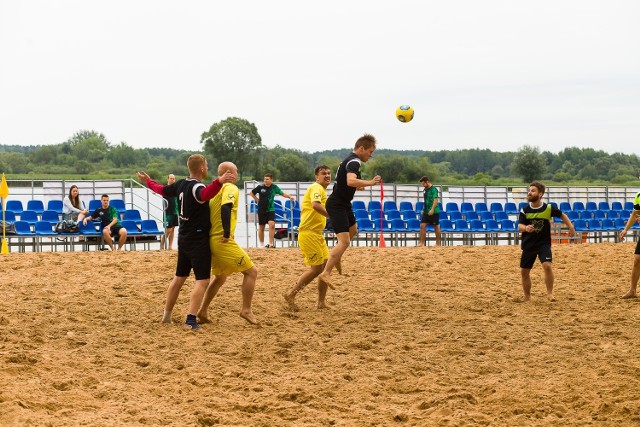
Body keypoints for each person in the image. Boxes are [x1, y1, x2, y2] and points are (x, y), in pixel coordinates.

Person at [136, 154, 233, 330]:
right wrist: (219, 181)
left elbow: (160, 189)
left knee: (179, 278)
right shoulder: (197, 187)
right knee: (202, 280)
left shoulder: (180, 184)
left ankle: (166, 316)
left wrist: (148, 181)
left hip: (184, 237)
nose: (208, 167)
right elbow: (205, 194)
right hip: (197, 239)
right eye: (207, 165)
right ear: (202, 168)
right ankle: (190, 320)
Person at [197, 162, 259, 325]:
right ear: (229, 173)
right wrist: (226, 233)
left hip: (212, 240)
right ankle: (246, 310)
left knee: (220, 278)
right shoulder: (230, 187)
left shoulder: (215, 191)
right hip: (222, 240)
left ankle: (202, 311)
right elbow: (226, 208)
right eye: (236, 171)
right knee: (252, 272)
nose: (237, 174)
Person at [318, 134, 381, 288]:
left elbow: (349, 183)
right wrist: (371, 182)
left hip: (344, 203)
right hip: (337, 204)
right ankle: (325, 273)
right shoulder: (354, 161)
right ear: (361, 148)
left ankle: (337, 256)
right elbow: (350, 180)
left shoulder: (348, 160)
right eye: (370, 152)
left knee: (353, 230)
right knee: (344, 241)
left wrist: (360, 185)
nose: (371, 155)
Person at [284, 165, 332, 310]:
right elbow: (315, 205)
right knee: (317, 269)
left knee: (324, 269)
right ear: (317, 177)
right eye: (324, 173)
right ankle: (291, 294)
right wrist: (332, 216)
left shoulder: (321, 189)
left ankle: (321, 302)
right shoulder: (316, 188)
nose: (327, 176)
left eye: (329, 173)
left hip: (317, 233)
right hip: (308, 232)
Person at [518, 181, 575, 301]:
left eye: (533, 191)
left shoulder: (548, 208)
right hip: (528, 244)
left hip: (543, 244)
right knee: (524, 272)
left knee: (547, 266)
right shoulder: (525, 210)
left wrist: (570, 227)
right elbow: (520, 226)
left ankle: (550, 294)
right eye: (529, 190)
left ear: (540, 194)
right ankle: (527, 296)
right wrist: (526, 228)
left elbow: (562, 215)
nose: (530, 192)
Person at [250, 173, 295, 248]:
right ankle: (261, 245)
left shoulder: (274, 187)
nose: (265, 180)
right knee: (261, 227)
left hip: (271, 209)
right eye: (264, 179)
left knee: (272, 224)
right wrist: (257, 200)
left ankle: (270, 244)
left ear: (271, 180)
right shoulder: (260, 187)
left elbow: (282, 193)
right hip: (261, 209)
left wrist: (289, 196)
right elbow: (251, 193)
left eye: (267, 179)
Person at [618, 191, 640, 299]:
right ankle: (632, 290)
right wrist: (626, 229)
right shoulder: (638, 196)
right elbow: (635, 214)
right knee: (637, 259)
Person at [419, 176, 441, 246]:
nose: (423, 185)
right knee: (422, 225)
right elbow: (426, 201)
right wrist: (423, 209)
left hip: (434, 211)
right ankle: (422, 243)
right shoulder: (425, 190)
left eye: (423, 184)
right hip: (426, 211)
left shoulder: (434, 189)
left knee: (436, 226)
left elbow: (435, 200)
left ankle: (438, 243)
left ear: (427, 182)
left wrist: (432, 209)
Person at [162, 174, 179, 250]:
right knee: (168, 229)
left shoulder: (176, 188)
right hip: (168, 212)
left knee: (173, 229)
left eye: (173, 178)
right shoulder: (165, 188)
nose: (172, 180)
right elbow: (158, 190)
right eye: (171, 178)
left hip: (175, 211)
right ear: (168, 179)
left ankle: (170, 246)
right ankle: (162, 245)